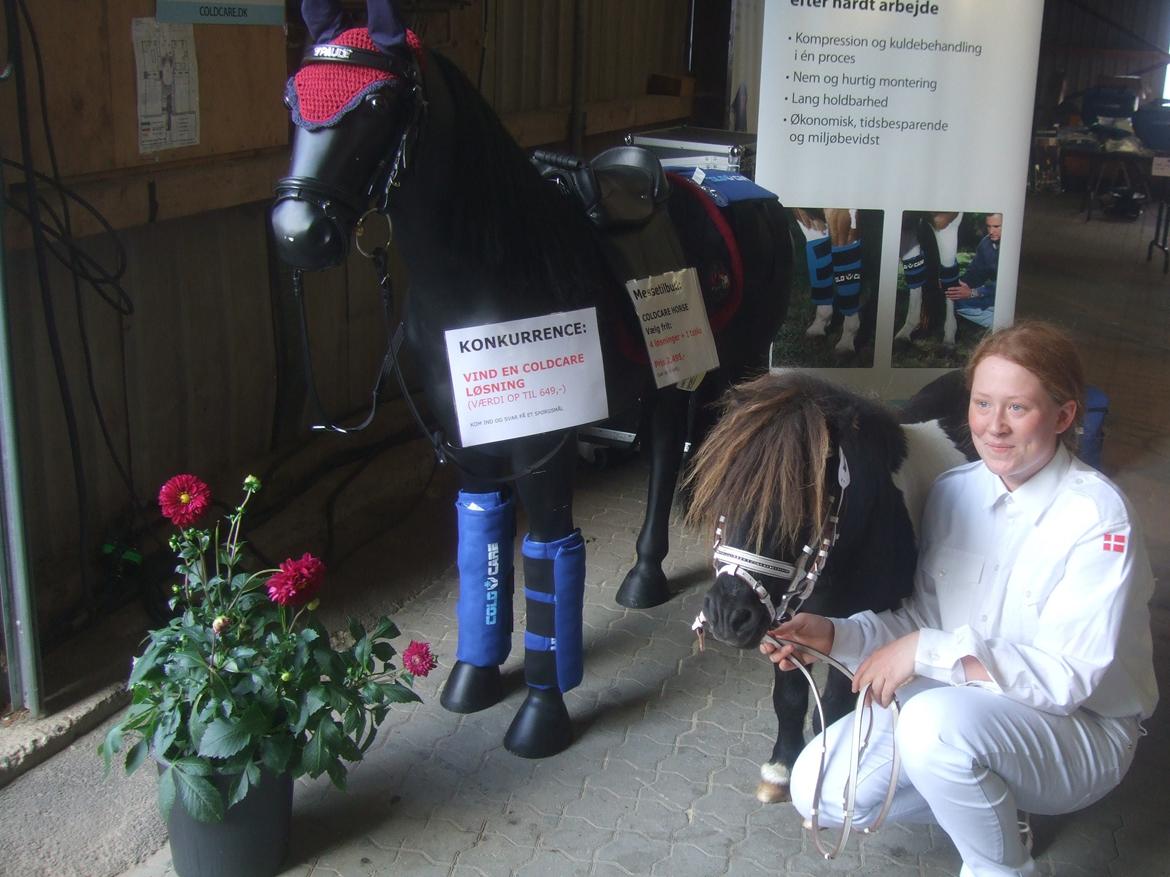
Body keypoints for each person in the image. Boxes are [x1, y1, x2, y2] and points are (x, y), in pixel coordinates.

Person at [760, 321, 1157, 877]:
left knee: (933, 726)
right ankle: (994, 806)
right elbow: (922, 618)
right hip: (964, 706)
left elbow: (1068, 678)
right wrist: (834, 635)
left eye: (1018, 408)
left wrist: (925, 652)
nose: (994, 427)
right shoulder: (955, 491)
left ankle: (1002, 866)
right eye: (982, 403)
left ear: (1064, 417)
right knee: (817, 789)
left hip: (1083, 727)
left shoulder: (1097, 519)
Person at [945, 213, 1001, 329]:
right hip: (990, 296)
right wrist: (955, 285)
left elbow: (1005, 286)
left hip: (1006, 296)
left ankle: (1001, 324)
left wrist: (973, 292)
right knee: (958, 300)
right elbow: (975, 272)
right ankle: (998, 321)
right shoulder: (986, 243)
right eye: (988, 226)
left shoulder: (1015, 247)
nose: (991, 231)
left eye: (996, 226)